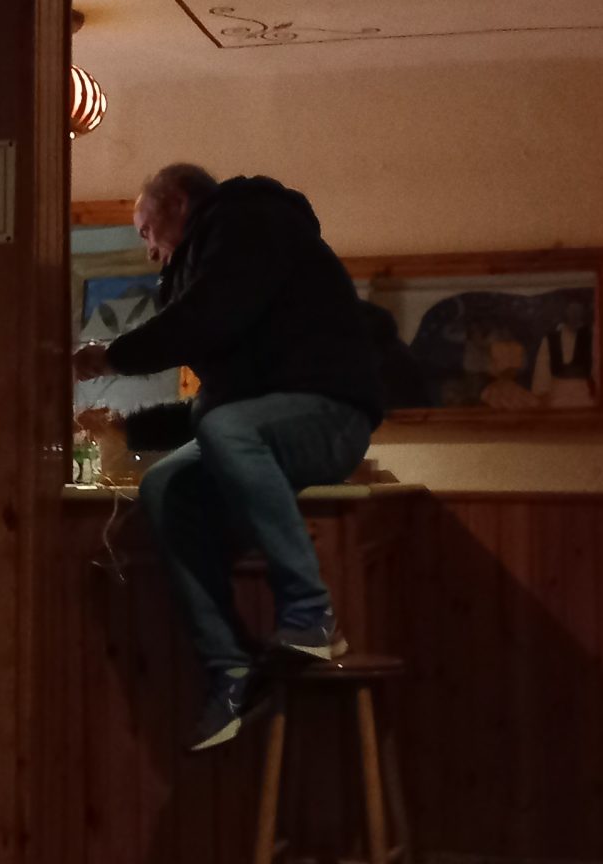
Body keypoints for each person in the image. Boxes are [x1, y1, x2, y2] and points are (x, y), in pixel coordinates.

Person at [74, 164, 383, 751]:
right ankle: (231, 667)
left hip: (332, 416)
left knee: (226, 428)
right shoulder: (207, 268)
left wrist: (110, 356)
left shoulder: (250, 221)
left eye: (146, 231)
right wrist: (127, 428)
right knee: (164, 486)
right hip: (266, 421)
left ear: (178, 202)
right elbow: (210, 403)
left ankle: (311, 614)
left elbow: (205, 321)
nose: (148, 250)